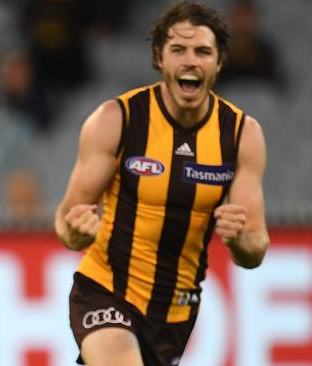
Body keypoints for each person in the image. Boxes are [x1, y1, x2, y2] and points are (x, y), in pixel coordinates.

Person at [54, 1, 269, 365]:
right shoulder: (116, 119)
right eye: (178, 50)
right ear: (159, 58)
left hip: (175, 313)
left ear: (219, 62)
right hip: (105, 290)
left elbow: (255, 250)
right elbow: (66, 220)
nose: (190, 61)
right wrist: (77, 232)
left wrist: (241, 239)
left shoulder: (241, 134)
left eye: (202, 51)